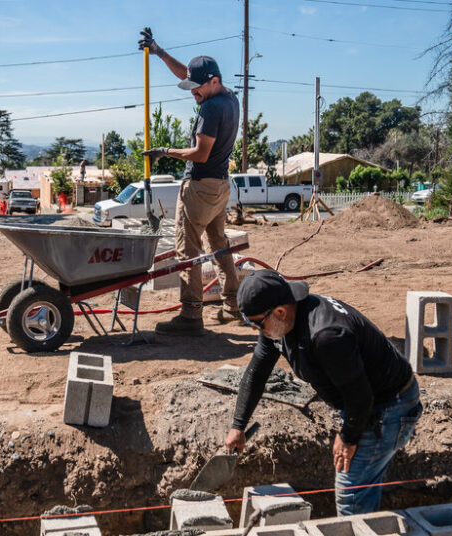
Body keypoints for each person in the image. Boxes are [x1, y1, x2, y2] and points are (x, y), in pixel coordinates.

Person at [226, 271, 422, 516]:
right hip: (364, 400)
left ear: (279, 312)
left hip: (388, 407)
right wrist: (238, 425)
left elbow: (361, 398)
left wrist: (349, 436)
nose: (256, 329)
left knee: (351, 494)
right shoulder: (279, 324)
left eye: (256, 323)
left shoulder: (326, 335)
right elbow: (257, 372)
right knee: (360, 486)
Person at [138, 27, 241, 336]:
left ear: (214, 82)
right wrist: (159, 52)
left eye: (197, 88)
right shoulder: (229, 98)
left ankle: (190, 316)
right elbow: (190, 74)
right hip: (220, 186)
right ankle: (233, 305)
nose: (192, 93)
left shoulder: (210, 108)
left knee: (187, 251)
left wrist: (164, 151)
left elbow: (200, 152)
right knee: (219, 245)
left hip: (198, 187)